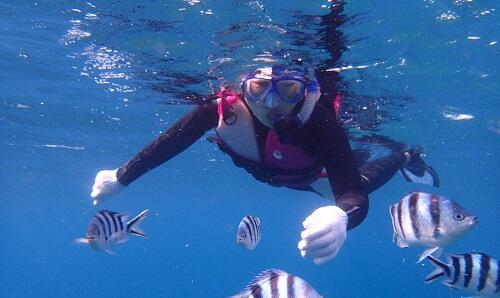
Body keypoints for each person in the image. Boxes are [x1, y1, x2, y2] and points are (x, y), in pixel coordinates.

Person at [90, 65, 439, 264]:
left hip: (312, 175)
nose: (271, 103)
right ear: (243, 88)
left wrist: (342, 217)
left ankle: (405, 156)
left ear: (304, 91)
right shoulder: (221, 110)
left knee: (361, 179)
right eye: (258, 89)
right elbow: (173, 141)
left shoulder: (319, 121)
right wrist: (122, 177)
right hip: (273, 171)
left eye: (287, 91)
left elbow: (351, 192)